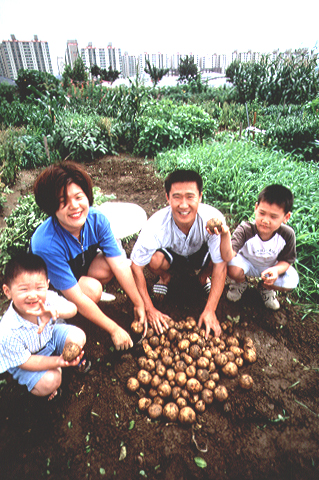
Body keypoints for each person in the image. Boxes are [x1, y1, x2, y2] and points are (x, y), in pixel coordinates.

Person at [30, 161, 146, 350]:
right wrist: (114, 329)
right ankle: (68, 317)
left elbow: (119, 264)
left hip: (77, 270)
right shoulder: (46, 244)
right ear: (52, 207)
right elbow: (77, 297)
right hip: (51, 288)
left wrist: (139, 302)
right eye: (63, 201)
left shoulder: (96, 220)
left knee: (109, 266)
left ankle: (84, 298)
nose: (74, 206)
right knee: (92, 291)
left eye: (78, 196)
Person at [130, 169, 227, 338]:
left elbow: (221, 265)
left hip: (199, 256)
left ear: (200, 197)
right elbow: (136, 267)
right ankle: (165, 278)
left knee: (219, 256)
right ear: (167, 197)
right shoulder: (155, 226)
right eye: (177, 197)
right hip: (172, 257)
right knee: (153, 260)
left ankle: (203, 278)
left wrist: (210, 310)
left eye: (190, 197)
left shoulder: (213, 221)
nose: (183, 205)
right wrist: (149, 308)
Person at [0, 252, 85, 401]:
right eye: (24, 289)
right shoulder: (7, 330)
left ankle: (57, 363)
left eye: (39, 287)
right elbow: (26, 362)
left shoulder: (48, 299)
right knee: (51, 381)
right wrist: (57, 362)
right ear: (7, 292)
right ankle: (46, 377)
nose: (33, 295)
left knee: (78, 337)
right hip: (27, 359)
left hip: (49, 338)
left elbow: (73, 309)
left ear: (47, 284)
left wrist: (55, 312)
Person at [217, 184, 299, 310]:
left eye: (273, 217)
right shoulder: (245, 230)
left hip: (270, 267)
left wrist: (276, 270)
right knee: (230, 267)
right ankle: (240, 282)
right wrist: (225, 235)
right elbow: (228, 255)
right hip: (246, 263)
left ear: (286, 217)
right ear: (256, 208)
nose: (265, 220)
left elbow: (286, 260)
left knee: (291, 281)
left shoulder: (287, 234)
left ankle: (265, 288)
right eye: (262, 213)